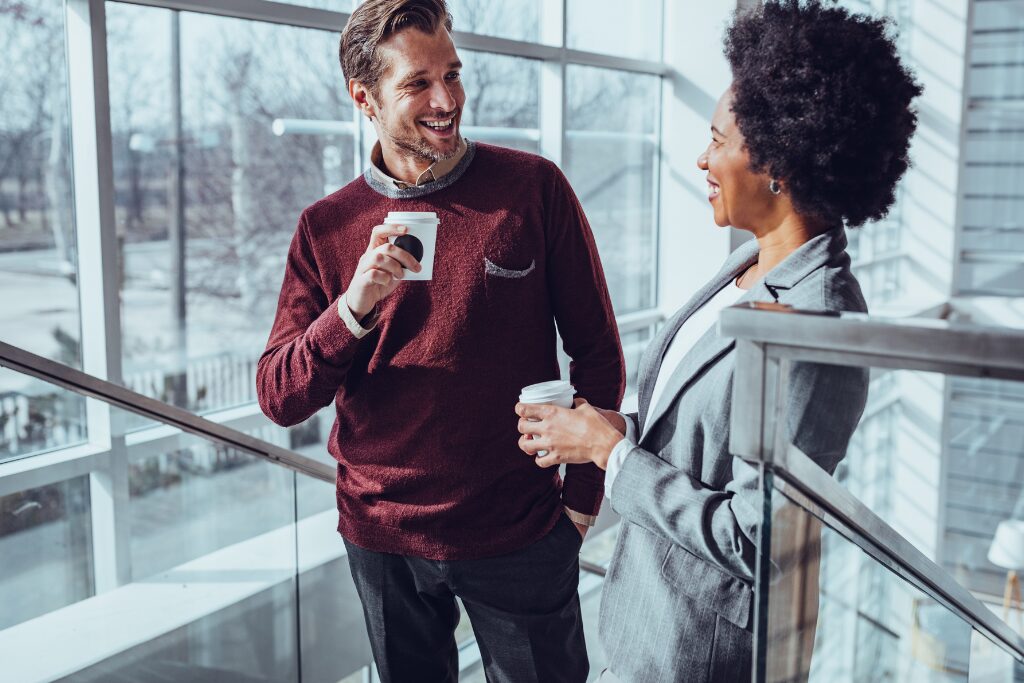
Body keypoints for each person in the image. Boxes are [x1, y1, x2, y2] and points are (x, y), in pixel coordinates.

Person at [515, 1, 923, 680]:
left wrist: (610, 455)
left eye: (718, 139)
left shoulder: (816, 327)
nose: (701, 158)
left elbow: (759, 541)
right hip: (643, 624)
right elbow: (704, 435)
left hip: (695, 654)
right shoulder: (750, 263)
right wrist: (620, 427)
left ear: (778, 160)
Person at [256, 0, 624, 681]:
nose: (446, 100)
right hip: (383, 540)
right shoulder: (326, 227)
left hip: (519, 532)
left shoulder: (532, 190)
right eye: (418, 84)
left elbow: (598, 352)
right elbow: (279, 394)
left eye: (452, 74)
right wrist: (353, 307)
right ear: (363, 97)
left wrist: (580, 500)